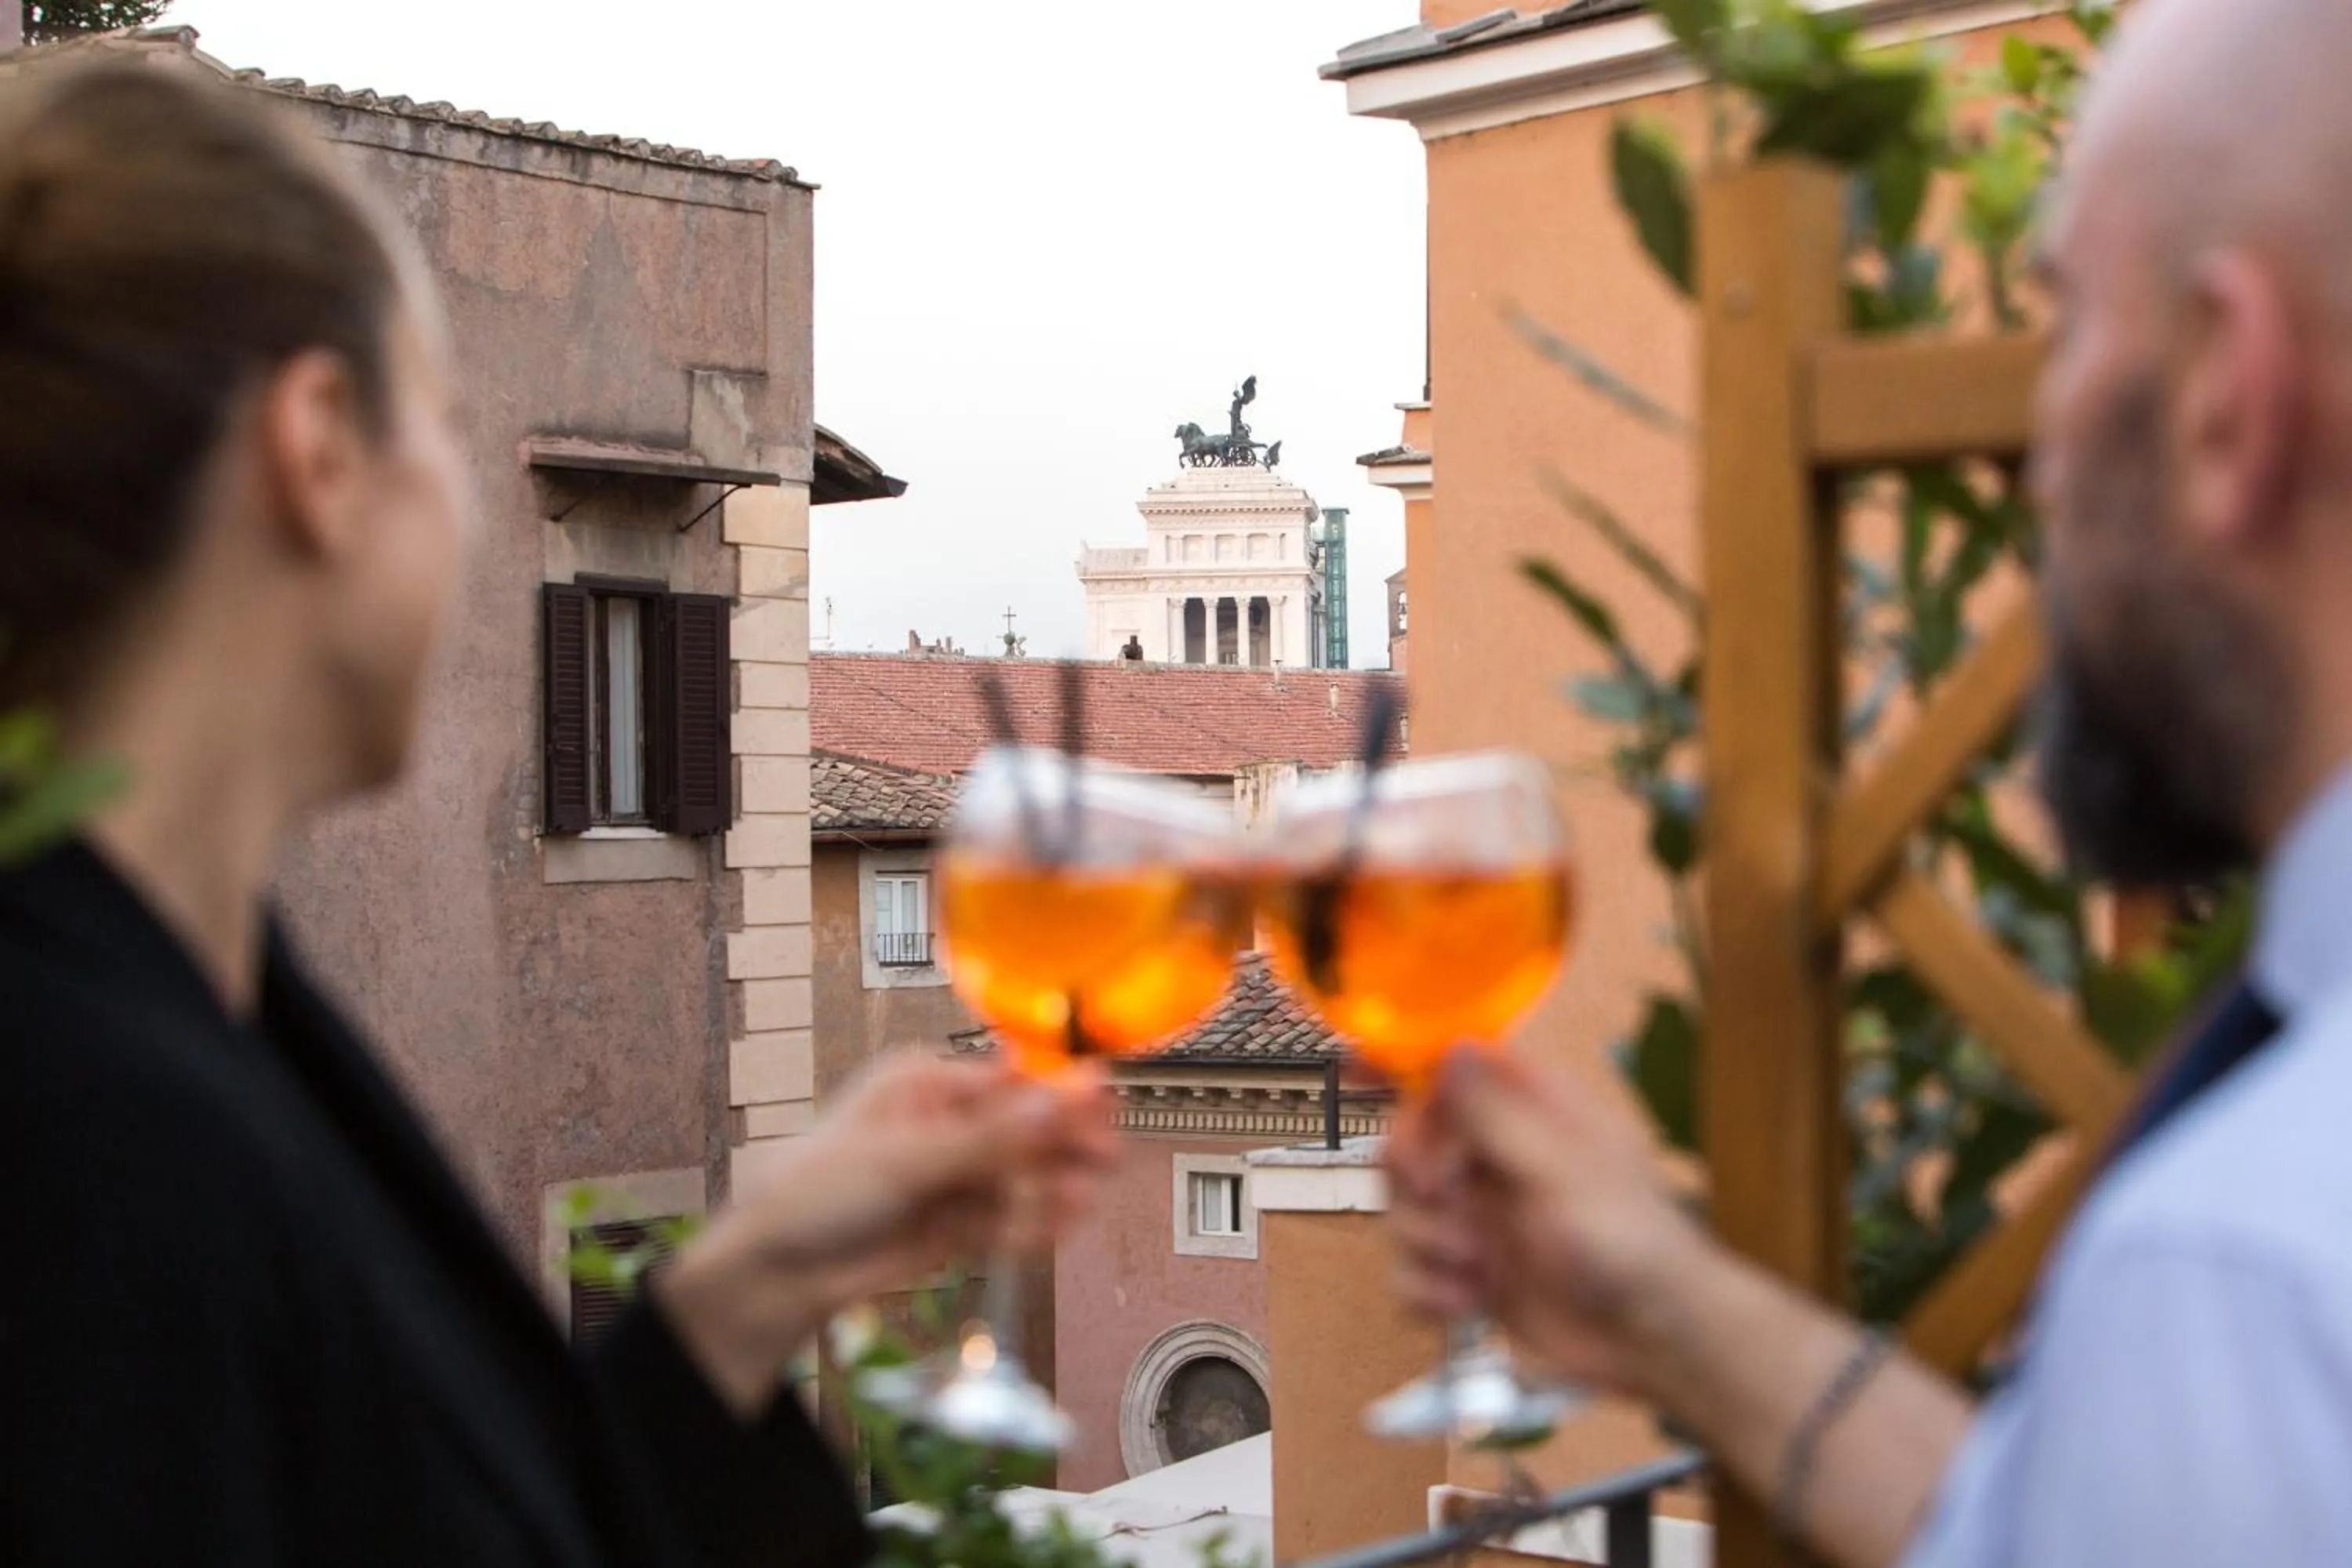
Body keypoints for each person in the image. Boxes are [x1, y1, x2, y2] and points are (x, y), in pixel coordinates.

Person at [0, 58, 1114, 1567]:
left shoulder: (190, 999)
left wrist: (749, 1282)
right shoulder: (90, 1144)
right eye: (445, 430)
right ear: (317, 451)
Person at [1387, 0, 2352, 1563]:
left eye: (2071, 329)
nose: (2033, 463)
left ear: (2228, 393)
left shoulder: (2237, 1274)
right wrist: (1663, 1296)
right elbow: (2029, 1523)